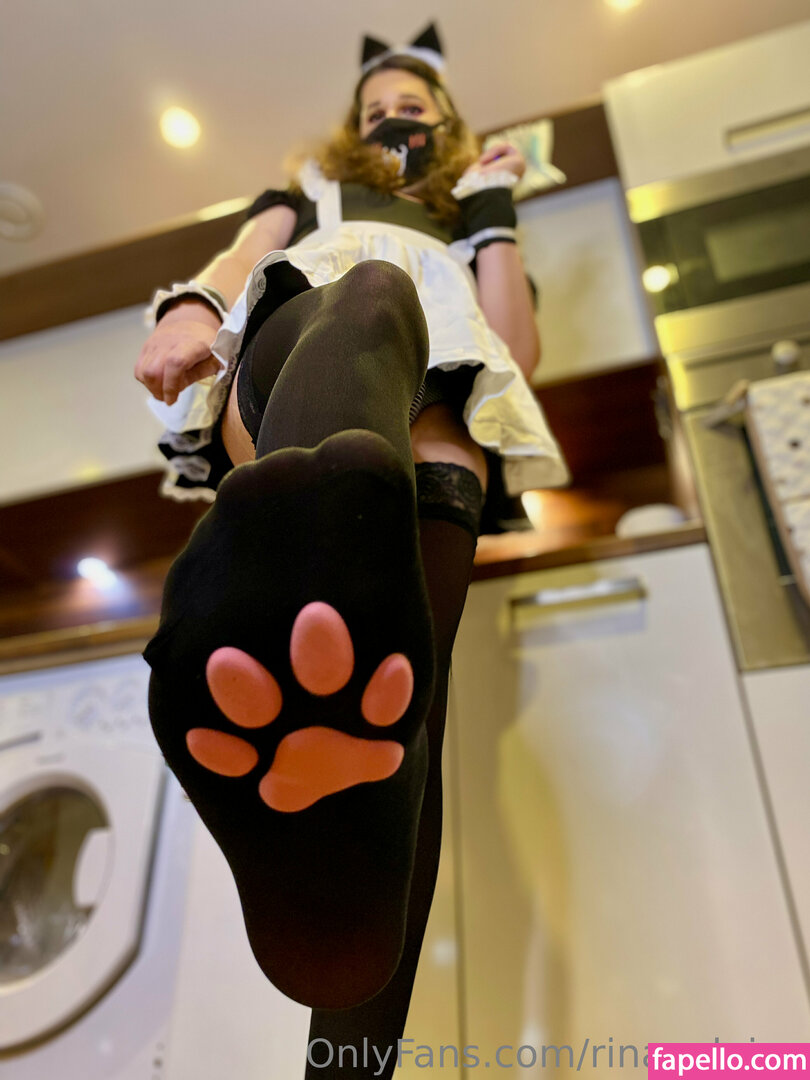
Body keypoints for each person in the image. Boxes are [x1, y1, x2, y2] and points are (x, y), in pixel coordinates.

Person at [135, 23, 567, 1080]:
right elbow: (245, 251)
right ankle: (289, 599)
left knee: (402, 736)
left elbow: (515, 348)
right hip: (303, 340)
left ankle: (344, 1063)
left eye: (412, 104)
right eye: (376, 107)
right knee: (371, 298)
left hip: (445, 409)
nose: (392, 118)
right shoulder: (314, 189)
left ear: (443, 119)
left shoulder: (463, 208)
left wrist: (494, 210)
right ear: (353, 125)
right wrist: (192, 304)